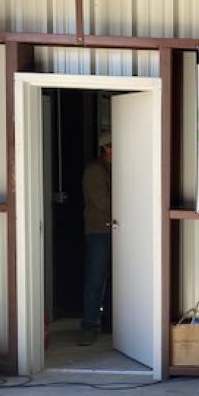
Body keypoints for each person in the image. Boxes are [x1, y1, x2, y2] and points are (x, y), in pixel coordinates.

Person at [79, 132, 112, 346]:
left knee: (116, 280)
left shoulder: (111, 169)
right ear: (106, 148)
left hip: (114, 229)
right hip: (100, 230)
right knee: (96, 279)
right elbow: (103, 202)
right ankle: (89, 325)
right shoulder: (94, 171)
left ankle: (109, 323)